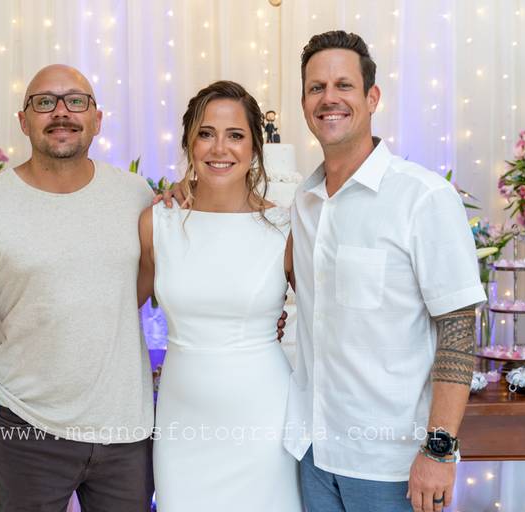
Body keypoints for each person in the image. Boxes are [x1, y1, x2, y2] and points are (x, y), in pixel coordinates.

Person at [282, 31, 486, 512]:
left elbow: (458, 328)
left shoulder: (423, 197)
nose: (329, 98)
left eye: (344, 85)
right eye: (316, 88)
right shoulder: (304, 202)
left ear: (372, 97)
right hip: (312, 451)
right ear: (304, 103)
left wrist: (439, 450)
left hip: (393, 465)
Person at [0, 64, 155, 512]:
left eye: (76, 101)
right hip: (29, 432)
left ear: (97, 118)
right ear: (23, 120)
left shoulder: (136, 195)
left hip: (126, 431)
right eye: (44, 102)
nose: (61, 112)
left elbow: (132, 290)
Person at [138, 81, 303, 512]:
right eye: (206, 134)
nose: (219, 148)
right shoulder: (157, 224)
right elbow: (117, 312)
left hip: (263, 423)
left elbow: (330, 317)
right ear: (189, 143)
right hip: (181, 425)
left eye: (235, 135)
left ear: (254, 148)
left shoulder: (286, 228)